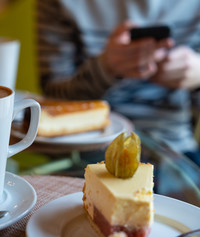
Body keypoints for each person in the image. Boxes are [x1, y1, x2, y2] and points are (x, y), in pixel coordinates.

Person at [36, 0, 200, 166]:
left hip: (173, 146)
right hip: (83, 146)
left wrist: (197, 75)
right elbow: (54, 95)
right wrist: (105, 68)